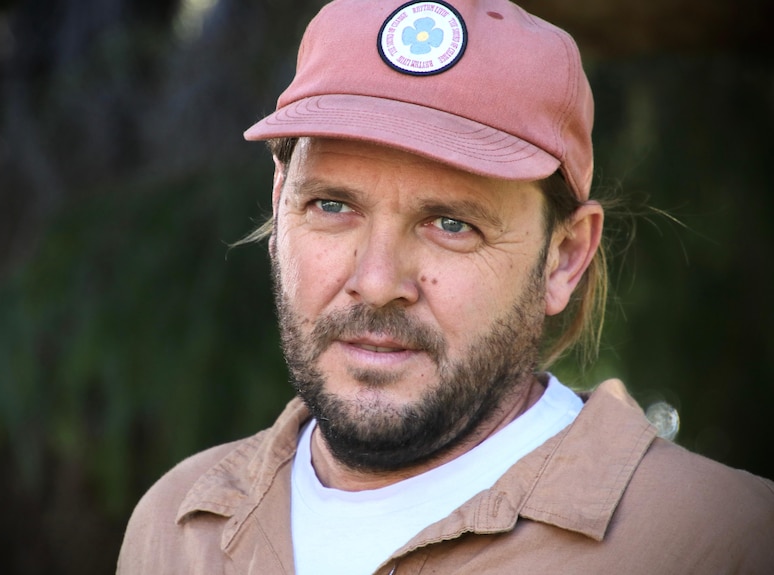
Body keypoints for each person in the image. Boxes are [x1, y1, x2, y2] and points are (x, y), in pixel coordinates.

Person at [117, 0, 774, 573]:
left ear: (564, 256)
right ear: (281, 201)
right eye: (332, 205)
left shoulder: (723, 542)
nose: (375, 284)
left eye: (451, 223)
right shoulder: (178, 528)